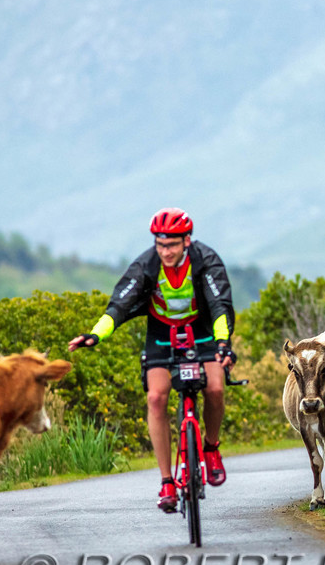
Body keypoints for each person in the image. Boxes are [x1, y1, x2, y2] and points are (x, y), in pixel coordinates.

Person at [67, 208, 236, 512]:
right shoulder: (146, 264)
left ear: (186, 240)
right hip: (161, 335)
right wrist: (95, 335)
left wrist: (223, 342)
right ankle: (166, 482)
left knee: (215, 388)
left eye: (171, 244)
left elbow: (220, 305)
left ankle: (211, 448)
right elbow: (119, 304)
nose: (165, 251)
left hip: (201, 331)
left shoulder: (206, 261)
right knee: (156, 398)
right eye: (160, 244)